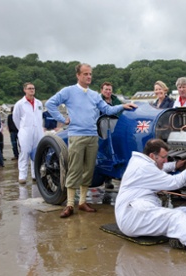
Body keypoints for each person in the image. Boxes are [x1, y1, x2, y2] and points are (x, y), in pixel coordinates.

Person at [45, 63, 137, 218]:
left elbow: (107, 109)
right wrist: (62, 119)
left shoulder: (94, 95)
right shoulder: (69, 91)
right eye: (86, 74)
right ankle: (69, 205)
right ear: (78, 75)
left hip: (93, 136)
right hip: (77, 135)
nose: (89, 77)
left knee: (89, 169)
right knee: (75, 169)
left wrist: (123, 106)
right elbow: (50, 104)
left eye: (90, 74)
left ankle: (82, 202)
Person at [13, 82, 44, 184]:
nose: (32, 90)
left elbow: (40, 117)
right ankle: (22, 176)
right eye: (29, 88)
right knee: (25, 152)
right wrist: (22, 129)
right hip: (26, 131)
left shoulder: (39, 103)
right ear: (25, 90)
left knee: (37, 153)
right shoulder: (20, 104)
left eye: (33, 88)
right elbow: (16, 118)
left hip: (38, 131)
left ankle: (35, 174)